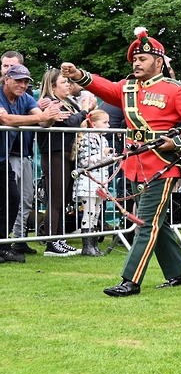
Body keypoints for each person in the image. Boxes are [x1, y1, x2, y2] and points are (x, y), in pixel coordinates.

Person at [61, 28, 181, 296]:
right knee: (155, 222)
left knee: (146, 224)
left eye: (143, 59)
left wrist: (177, 142)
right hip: (137, 165)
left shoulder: (175, 90)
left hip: (164, 164)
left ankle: (131, 280)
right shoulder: (127, 88)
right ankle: (179, 273)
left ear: (159, 62)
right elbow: (104, 87)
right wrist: (79, 75)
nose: (137, 63)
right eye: (135, 59)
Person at [0, 64, 69, 263]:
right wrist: (41, 116)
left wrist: (51, 115)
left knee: (12, 200)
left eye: (26, 81)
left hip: (2, 158)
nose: (22, 85)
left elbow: (42, 122)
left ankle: (4, 246)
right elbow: (4, 119)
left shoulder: (27, 98)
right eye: (18, 80)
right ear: (7, 79)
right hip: (6, 157)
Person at [37, 69, 92, 256]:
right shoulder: (50, 104)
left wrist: (81, 113)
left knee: (65, 198)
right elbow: (70, 125)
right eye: (64, 82)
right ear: (52, 86)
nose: (69, 85)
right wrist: (85, 110)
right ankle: (52, 243)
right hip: (55, 153)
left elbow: (73, 121)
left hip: (67, 153)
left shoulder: (67, 103)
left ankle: (59, 239)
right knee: (56, 199)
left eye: (69, 82)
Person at [74, 109, 112, 254]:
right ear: (94, 125)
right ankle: (87, 246)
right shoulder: (87, 138)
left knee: (96, 212)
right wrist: (101, 155)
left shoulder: (103, 139)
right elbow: (84, 160)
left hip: (100, 180)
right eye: (105, 122)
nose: (108, 126)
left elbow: (103, 161)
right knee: (89, 212)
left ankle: (93, 245)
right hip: (88, 181)